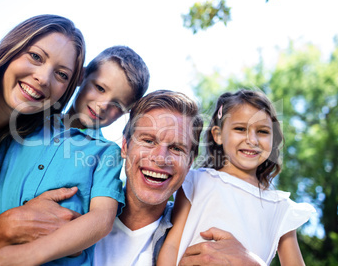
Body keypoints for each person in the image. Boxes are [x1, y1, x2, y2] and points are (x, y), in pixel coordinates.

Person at [0, 46, 150, 266]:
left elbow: (102, 220)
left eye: (118, 105)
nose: (103, 105)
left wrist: (31, 254)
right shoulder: (25, 125)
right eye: (100, 88)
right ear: (81, 77)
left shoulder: (106, 152)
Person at [0, 13, 85, 253]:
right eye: (35, 56)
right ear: (11, 50)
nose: (42, 78)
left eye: (61, 74)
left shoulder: (8, 148)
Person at [93, 90, 265, 266]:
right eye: (149, 141)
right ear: (125, 146)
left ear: (190, 162)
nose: (160, 158)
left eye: (176, 148)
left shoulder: (197, 241)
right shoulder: (80, 211)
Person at [157, 89, 316, 265]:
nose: (252, 140)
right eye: (240, 129)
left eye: (263, 131)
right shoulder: (196, 181)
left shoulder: (281, 208)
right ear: (218, 135)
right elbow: (172, 246)